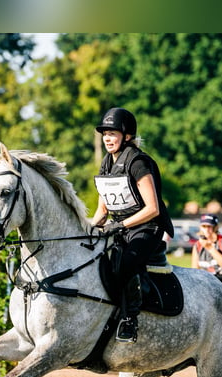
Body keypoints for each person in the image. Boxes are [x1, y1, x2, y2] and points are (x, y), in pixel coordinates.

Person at [91, 107, 174, 343]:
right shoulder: (106, 163)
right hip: (122, 227)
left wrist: (121, 225)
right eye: (105, 133)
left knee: (125, 264)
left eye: (113, 133)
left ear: (127, 136)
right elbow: (103, 209)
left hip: (147, 228)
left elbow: (153, 208)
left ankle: (130, 318)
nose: (107, 138)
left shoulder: (139, 163)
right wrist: (88, 229)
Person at [191, 213, 222, 290]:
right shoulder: (197, 245)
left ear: (215, 227)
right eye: (204, 226)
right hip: (208, 280)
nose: (206, 230)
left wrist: (210, 248)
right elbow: (195, 270)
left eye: (209, 226)